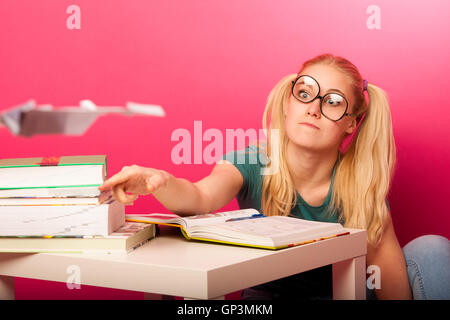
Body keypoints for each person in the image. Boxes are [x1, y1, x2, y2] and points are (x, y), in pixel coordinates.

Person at [98, 53, 450, 300]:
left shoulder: (360, 184)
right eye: (304, 93)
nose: (313, 107)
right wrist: (159, 180)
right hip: (270, 296)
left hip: (349, 292)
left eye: (332, 102)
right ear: (288, 102)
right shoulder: (252, 161)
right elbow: (199, 197)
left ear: (350, 124)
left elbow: (388, 281)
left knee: (432, 251)